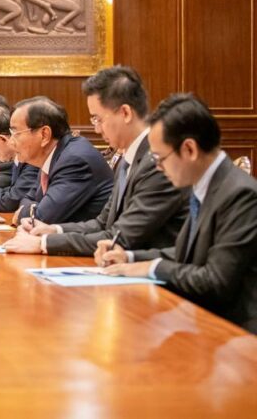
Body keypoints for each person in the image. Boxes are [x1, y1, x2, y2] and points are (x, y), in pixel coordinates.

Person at [100, 94, 257, 334]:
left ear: (189, 149)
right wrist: (129, 258)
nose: (158, 167)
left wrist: (152, 268)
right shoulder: (204, 184)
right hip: (199, 319)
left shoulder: (240, 194)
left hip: (235, 332)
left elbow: (215, 281)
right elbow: (188, 252)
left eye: (160, 158)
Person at [6, 67, 187, 255]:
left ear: (125, 113)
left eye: (98, 119)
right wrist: (53, 230)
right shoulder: (127, 158)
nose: (97, 129)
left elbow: (120, 237)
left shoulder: (157, 161)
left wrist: (44, 243)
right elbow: (102, 223)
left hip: (149, 269)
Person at [9, 96, 112, 224]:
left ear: (44, 135)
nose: (11, 142)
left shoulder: (74, 161)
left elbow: (42, 217)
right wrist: (32, 209)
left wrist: (23, 213)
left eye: (16, 133)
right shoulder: (53, 156)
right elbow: (27, 199)